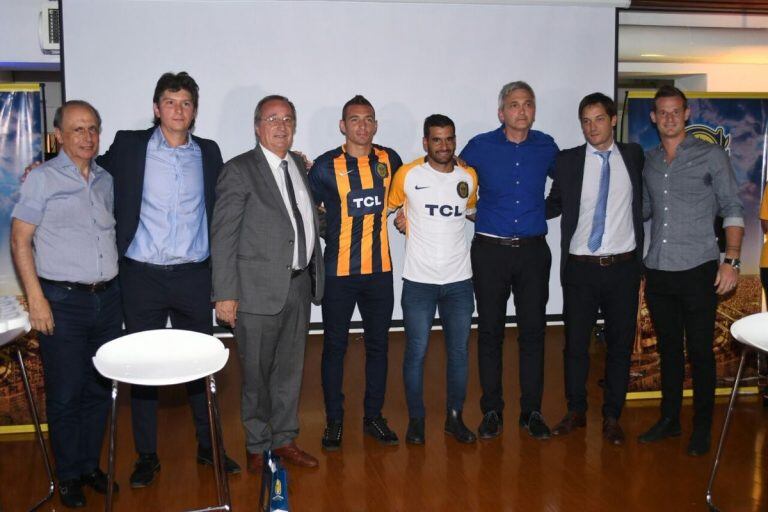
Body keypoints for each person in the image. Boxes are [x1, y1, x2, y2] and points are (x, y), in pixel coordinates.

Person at [97, 72, 239, 486]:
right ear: (156, 108)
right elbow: (88, 169)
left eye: (186, 103)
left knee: (201, 365)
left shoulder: (209, 153)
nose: (179, 110)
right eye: (170, 102)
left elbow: (230, 197)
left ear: (195, 111)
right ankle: (146, 456)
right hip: (142, 277)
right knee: (144, 369)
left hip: (194, 276)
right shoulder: (129, 146)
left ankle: (208, 446)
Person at [11, 101, 121, 508]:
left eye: (93, 128)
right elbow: (20, 239)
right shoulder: (40, 179)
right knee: (65, 394)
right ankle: (69, 474)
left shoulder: (106, 180)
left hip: (108, 300)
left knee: (99, 389)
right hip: (61, 301)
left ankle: (90, 465)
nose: (87, 137)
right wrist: (36, 299)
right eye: (77, 129)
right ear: (59, 135)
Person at [211, 95, 324, 472]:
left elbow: (301, 222)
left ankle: (285, 439)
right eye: (272, 119)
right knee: (256, 376)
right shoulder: (239, 170)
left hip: (297, 287)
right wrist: (225, 294)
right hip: (255, 292)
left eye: (288, 119)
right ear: (257, 126)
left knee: (290, 372)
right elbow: (224, 236)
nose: (281, 126)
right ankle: (258, 446)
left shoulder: (298, 166)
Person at [638, 85, 743, 456]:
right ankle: (669, 420)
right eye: (661, 112)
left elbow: (732, 206)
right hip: (659, 270)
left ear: (686, 114)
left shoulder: (711, 155)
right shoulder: (649, 161)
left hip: (700, 268)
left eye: (674, 111)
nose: (668, 118)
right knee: (668, 350)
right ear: (653, 117)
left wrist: (731, 260)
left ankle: (702, 427)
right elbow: (647, 211)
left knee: (700, 352)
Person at [459, 81, 558, 440]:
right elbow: (454, 182)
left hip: (533, 252)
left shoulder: (546, 146)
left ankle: (531, 410)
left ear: (534, 111)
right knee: (490, 332)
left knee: (533, 332)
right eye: (514, 105)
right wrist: (472, 212)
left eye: (528, 104)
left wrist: (541, 212)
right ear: (502, 113)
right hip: (490, 251)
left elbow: (565, 187)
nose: (521, 111)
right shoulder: (480, 146)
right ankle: (492, 411)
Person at [545, 93, 644, 445]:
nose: (592, 127)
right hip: (581, 270)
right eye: (585, 121)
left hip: (623, 269)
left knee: (619, 347)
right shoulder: (568, 161)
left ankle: (612, 417)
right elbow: (552, 205)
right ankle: (576, 411)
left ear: (613, 120)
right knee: (574, 345)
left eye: (599, 119)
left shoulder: (634, 156)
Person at [308, 95, 403, 450]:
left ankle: (373, 416)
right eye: (355, 119)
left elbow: (404, 195)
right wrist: (327, 229)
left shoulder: (389, 159)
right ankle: (334, 420)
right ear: (342, 125)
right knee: (334, 347)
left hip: (380, 273)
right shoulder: (323, 166)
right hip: (339, 274)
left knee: (379, 347)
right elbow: (305, 207)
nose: (362, 125)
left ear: (375, 125)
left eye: (368, 119)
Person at [387, 114, 478, 445]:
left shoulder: (468, 176)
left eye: (449, 139)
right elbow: (386, 208)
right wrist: (400, 218)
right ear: (425, 142)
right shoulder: (408, 174)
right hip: (419, 282)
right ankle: (417, 420)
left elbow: (471, 210)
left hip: (459, 282)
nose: (444, 145)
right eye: (436, 139)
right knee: (416, 351)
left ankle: (455, 418)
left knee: (459, 352)